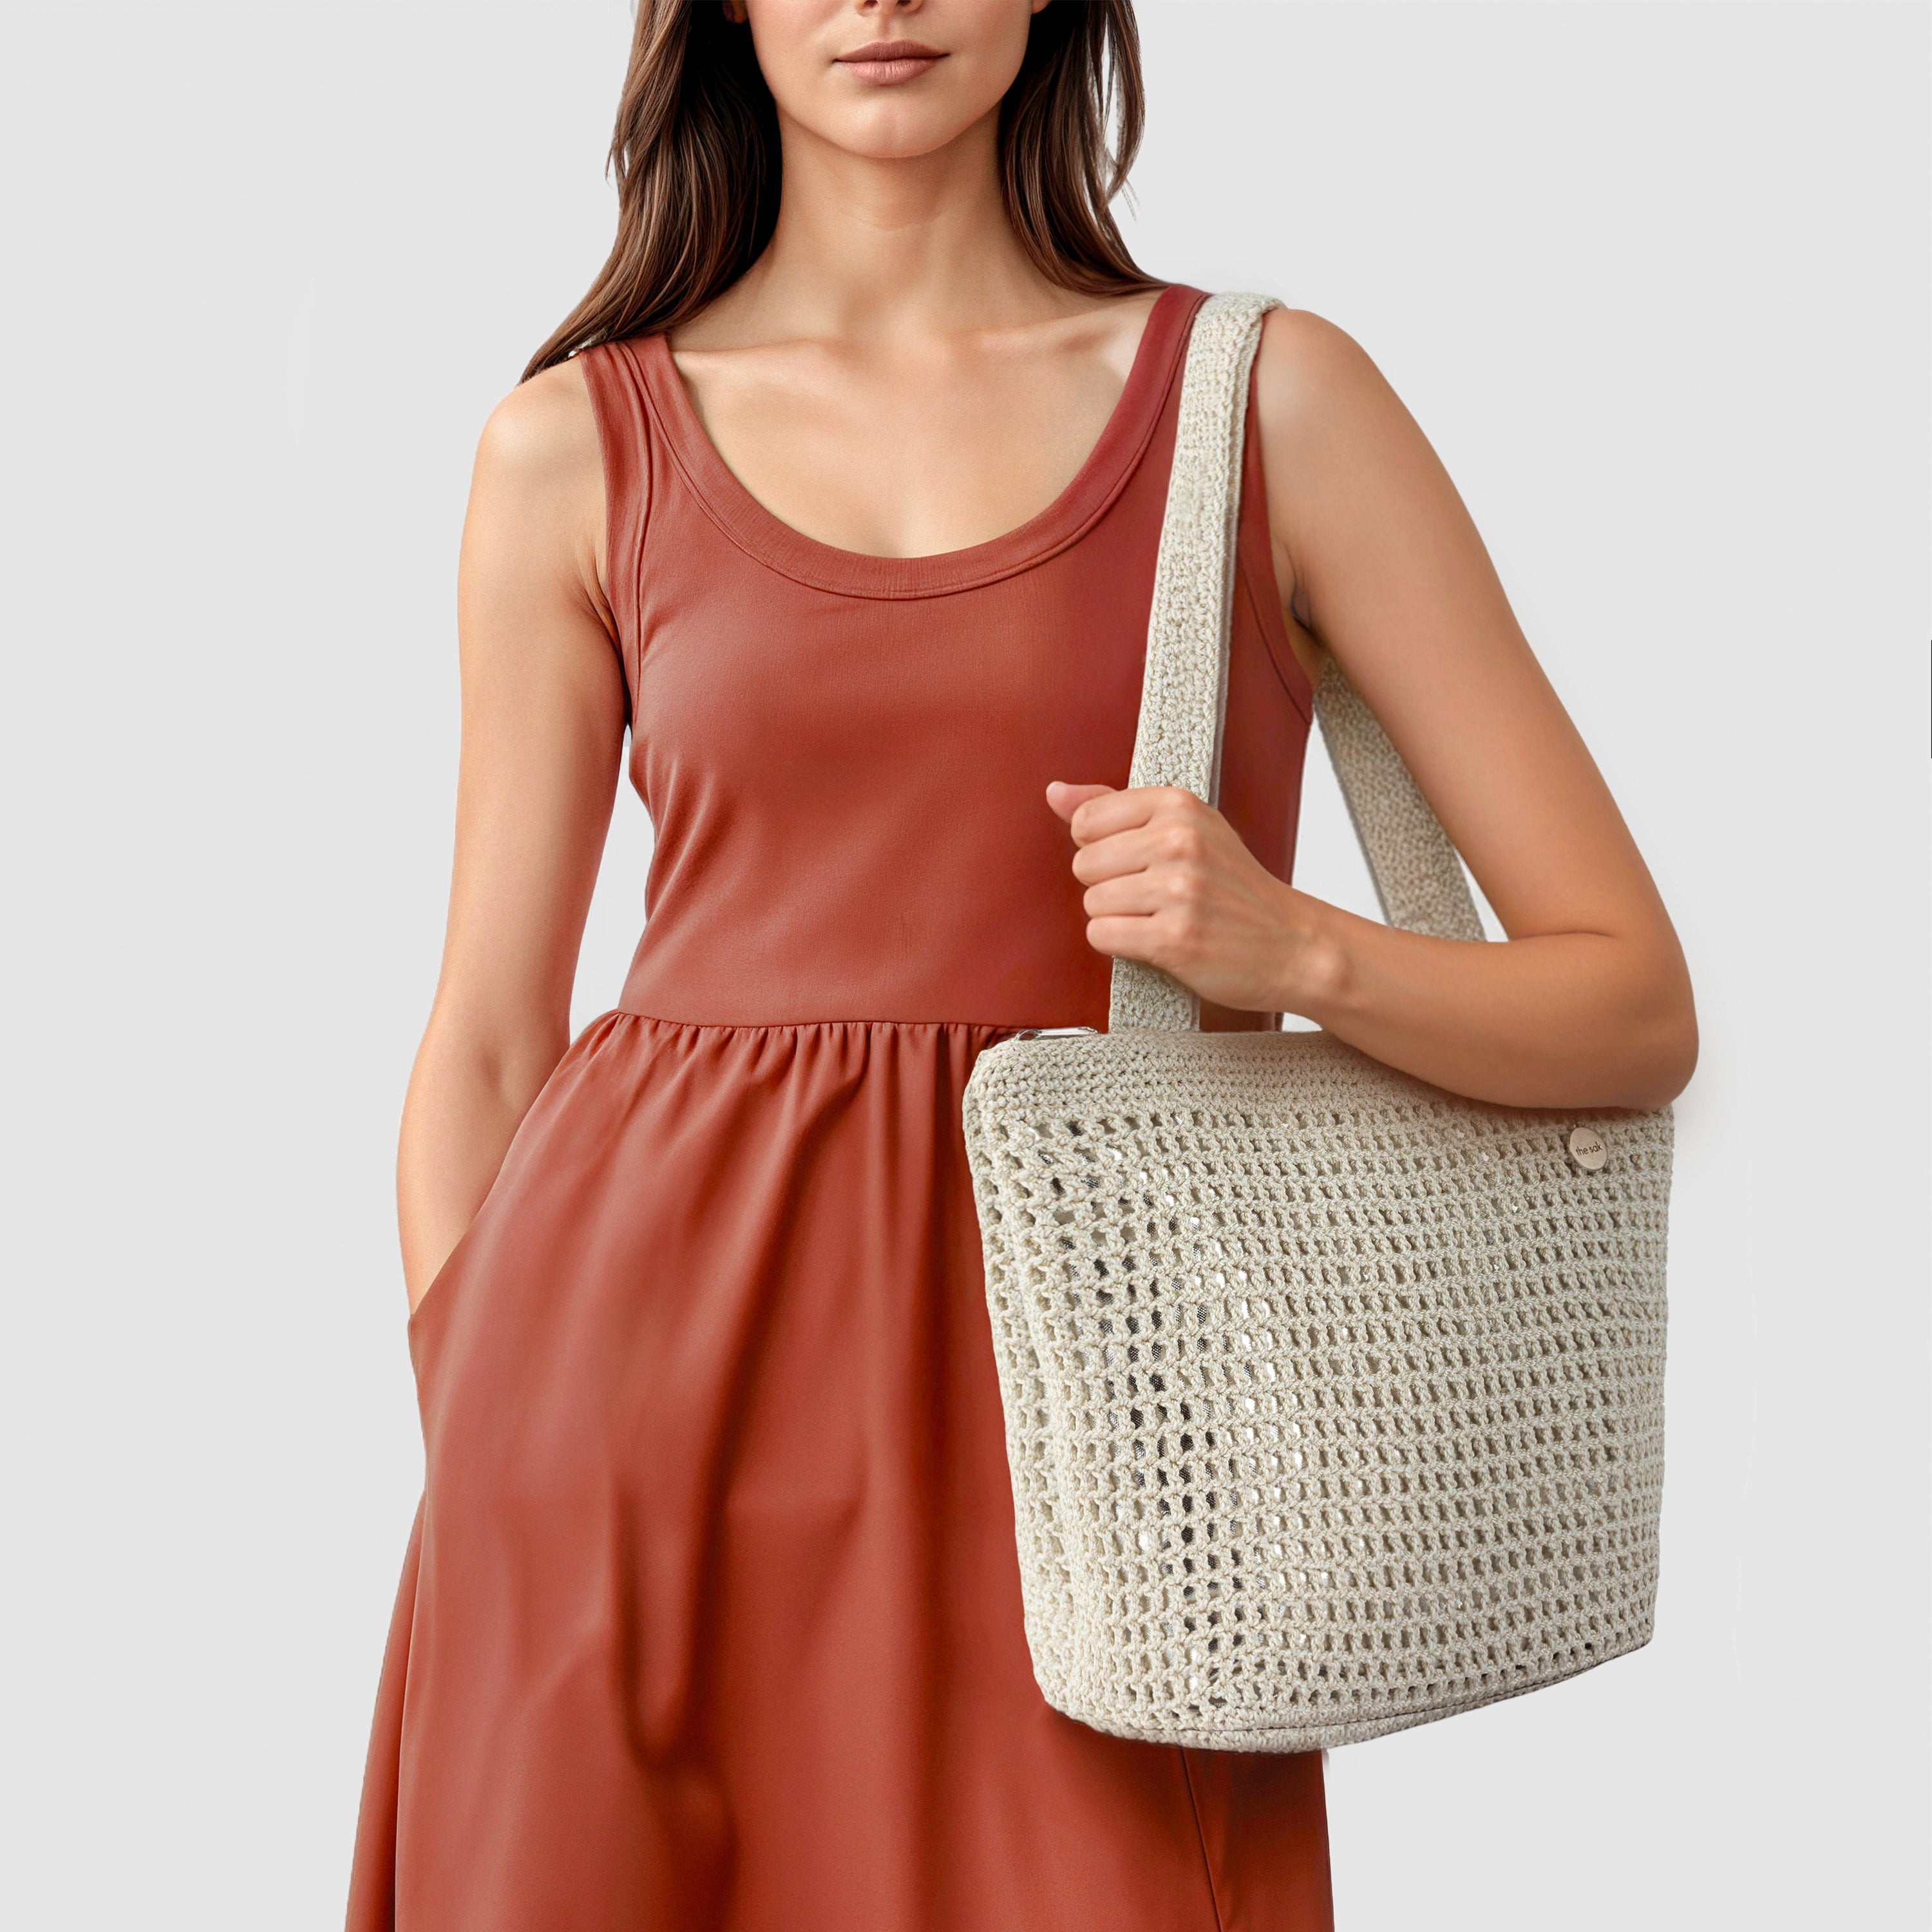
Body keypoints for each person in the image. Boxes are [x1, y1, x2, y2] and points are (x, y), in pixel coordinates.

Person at [346, 1, 1698, 1926]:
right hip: (617, 1444)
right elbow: (489, 1039)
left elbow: (1632, 1005)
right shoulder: (572, 447)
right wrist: (492, 1442)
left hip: (1112, 1462)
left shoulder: (1269, 406)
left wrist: (1300, 946)